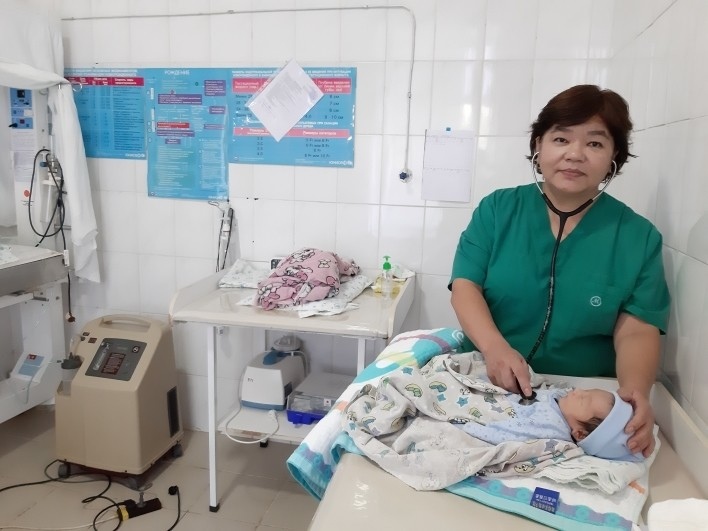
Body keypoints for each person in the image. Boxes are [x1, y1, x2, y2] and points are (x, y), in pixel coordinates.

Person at [449, 85, 670, 459]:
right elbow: (465, 286)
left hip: (580, 404)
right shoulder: (498, 210)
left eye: (595, 143)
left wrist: (633, 394)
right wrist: (495, 348)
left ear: (614, 156)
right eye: (561, 138)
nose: (575, 154)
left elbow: (636, 328)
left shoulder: (638, 237)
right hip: (488, 381)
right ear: (538, 145)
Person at [457, 386, 643, 461]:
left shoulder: (551, 425)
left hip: (484, 408)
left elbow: (513, 434)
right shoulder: (563, 402)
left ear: (580, 433)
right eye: (587, 391)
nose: (578, 391)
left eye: (582, 400)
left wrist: (470, 428)